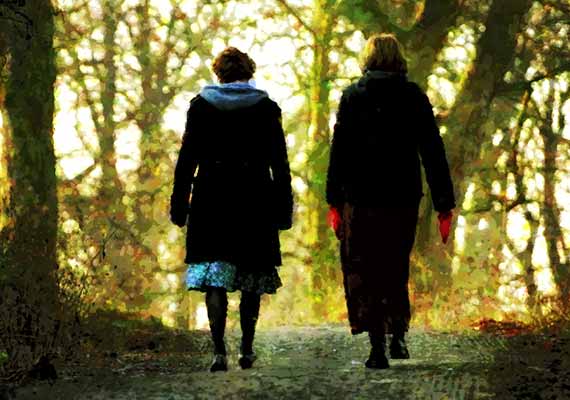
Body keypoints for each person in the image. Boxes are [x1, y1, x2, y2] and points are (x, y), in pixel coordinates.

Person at [326, 33, 455, 369]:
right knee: (394, 264)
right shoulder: (413, 96)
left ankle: (376, 345)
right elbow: (432, 151)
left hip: (360, 196)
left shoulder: (352, 96)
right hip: (402, 196)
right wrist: (444, 202)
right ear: (399, 60)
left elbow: (339, 149)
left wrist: (333, 200)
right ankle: (397, 333)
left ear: (367, 59)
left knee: (362, 267)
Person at [169, 47, 293, 372]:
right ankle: (247, 348)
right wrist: (284, 210)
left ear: (218, 73)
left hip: (212, 199)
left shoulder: (200, 107)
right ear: (249, 71)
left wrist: (179, 206)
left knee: (214, 277)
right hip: (255, 199)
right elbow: (280, 164)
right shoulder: (266, 108)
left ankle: (219, 351)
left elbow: (186, 162)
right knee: (251, 276)